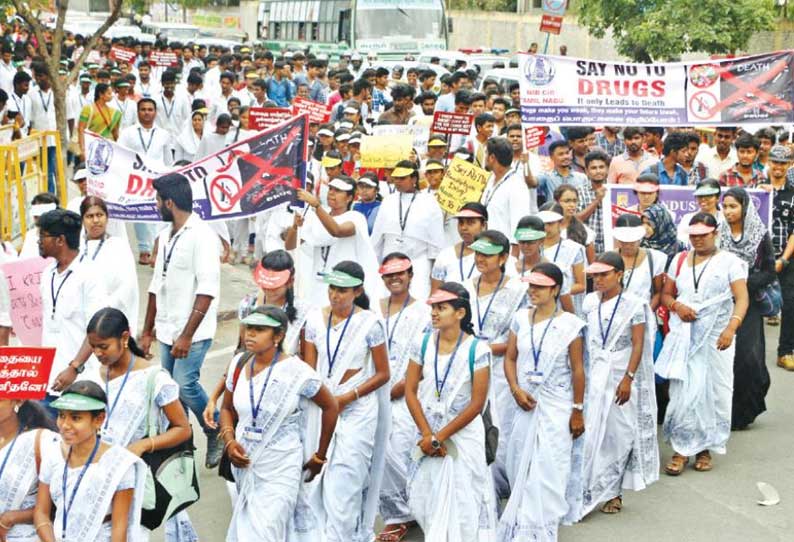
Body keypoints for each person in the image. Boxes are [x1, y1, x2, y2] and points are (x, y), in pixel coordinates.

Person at [219, 305, 339, 542]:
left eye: (260, 329)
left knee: (265, 532)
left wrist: (319, 456)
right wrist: (229, 441)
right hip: (245, 464)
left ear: (279, 335)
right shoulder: (238, 364)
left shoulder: (298, 372)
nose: (250, 334)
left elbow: (330, 407)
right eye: (249, 328)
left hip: (282, 466)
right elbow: (226, 408)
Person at [86, 307, 196, 541]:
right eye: (92, 346)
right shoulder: (97, 372)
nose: (97, 353)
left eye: (103, 346)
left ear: (124, 338)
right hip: (101, 471)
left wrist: (144, 445)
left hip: (136, 474)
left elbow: (182, 429)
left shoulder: (154, 378)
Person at [302, 261, 390, 542]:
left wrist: (347, 397)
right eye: (332, 288)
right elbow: (308, 369)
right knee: (314, 486)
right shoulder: (315, 319)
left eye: (342, 290)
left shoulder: (370, 323)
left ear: (358, 291)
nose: (335, 295)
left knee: (344, 486)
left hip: (357, 412)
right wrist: (324, 401)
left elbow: (383, 373)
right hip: (322, 409)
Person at [140, 172, 223, 469]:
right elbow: (155, 284)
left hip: (194, 331)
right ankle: (182, 448)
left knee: (185, 385)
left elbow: (207, 290)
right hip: (166, 327)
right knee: (171, 391)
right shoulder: (164, 236)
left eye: (158, 200)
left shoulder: (203, 236)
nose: (155, 204)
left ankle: (215, 430)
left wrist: (186, 335)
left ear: (170, 202)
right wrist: (147, 330)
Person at [656, 213, 749, 475]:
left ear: (715, 233)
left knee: (713, 391)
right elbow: (665, 294)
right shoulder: (680, 259)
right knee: (685, 392)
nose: (697, 239)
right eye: (693, 234)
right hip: (685, 333)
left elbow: (742, 298)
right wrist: (677, 306)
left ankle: (705, 447)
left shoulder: (730, 262)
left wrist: (731, 328)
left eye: (703, 234)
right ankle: (681, 449)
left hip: (717, 335)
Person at [498, 263, 585, 540]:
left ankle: (543, 527)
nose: (532, 291)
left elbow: (578, 370)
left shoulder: (570, 325)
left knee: (550, 465)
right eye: (531, 285)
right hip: (524, 401)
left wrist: (577, 411)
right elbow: (510, 358)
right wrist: (514, 389)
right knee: (519, 459)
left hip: (557, 405)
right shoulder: (521, 319)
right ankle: (522, 524)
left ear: (556, 289)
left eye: (539, 286)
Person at [568, 252, 658, 519]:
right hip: (595, 372)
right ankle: (584, 490)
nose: (598, 279)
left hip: (621, 373)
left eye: (604, 274)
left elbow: (638, 343)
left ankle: (613, 491)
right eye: (595, 274)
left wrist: (629, 378)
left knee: (618, 433)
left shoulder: (635, 304)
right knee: (592, 430)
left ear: (619, 275)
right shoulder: (588, 302)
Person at [404, 282, 497, 540]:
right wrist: (427, 435)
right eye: (433, 307)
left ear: (460, 313)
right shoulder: (422, 343)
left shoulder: (477, 350)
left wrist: (439, 437)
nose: (434, 312)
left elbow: (476, 404)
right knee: (427, 500)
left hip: (462, 437)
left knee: (464, 503)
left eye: (441, 308)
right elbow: (410, 390)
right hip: (426, 433)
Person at [33, 381, 146, 542]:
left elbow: (119, 528)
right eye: (61, 415)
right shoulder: (53, 455)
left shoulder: (119, 465)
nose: (65, 425)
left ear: (99, 419)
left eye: (76, 418)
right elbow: (41, 512)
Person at [375, 254, 432, 542]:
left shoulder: (423, 311)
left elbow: (427, 354)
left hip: (409, 394)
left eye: (400, 273)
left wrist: (406, 383)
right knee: (381, 455)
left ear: (411, 275)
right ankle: (397, 516)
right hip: (376, 392)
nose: (394, 279)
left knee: (406, 452)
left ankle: (421, 508)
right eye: (389, 275)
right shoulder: (375, 308)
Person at [37, 209, 109, 409]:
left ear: (60, 240)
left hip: (80, 383)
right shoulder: (47, 274)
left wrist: (74, 367)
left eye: (43, 236)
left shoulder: (90, 275)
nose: (39, 241)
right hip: (47, 381)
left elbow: (97, 330)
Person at [718, 188, 775, 430]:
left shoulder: (759, 235)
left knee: (747, 358)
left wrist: (742, 284)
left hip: (748, 303)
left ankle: (744, 411)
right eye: (726, 206)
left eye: (733, 206)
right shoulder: (718, 234)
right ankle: (722, 411)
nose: (729, 211)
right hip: (720, 302)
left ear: (744, 207)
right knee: (722, 358)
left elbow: (769, 272)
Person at [292, 176, 380, 306]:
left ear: (350, 198)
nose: (332, 193)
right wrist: (295, 227)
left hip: (343, 284)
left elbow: (337, 231)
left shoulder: (356, 217)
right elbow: (291, 245)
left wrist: (316, 206)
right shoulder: (319, 215)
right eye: (331, 189)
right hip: (318, 283)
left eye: (338, 190)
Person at [370, 161, 445, 300]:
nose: (397, 182)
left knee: (418, 306)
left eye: (402, 178)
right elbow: (377, 239)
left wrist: (435, 280)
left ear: (414, 179)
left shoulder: (429, 202)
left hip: (418, 264)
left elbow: (436, 244)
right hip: (390, 263)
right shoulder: (388, 201)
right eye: (396, 178)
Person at [117, 98, 174, 265]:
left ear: (155, 112)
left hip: (158, 178)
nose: (147, 112)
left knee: (159, 213)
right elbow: (121, 154)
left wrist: (169, 176)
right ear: (138, 112)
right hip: (136, 180)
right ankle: (144, 249)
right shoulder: (128, 133)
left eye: (150, 109)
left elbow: (168, 160)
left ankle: (157, 250)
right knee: (140, 213)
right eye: (143, 109)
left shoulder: (164, 134)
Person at [0, 399, 60, 541]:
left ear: (18, 401)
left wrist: (12, 517)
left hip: (26, 535)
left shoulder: (43, 441)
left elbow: (63, 499)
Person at [78, 196, 139, 334]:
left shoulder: (118, 246)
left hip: (110, 318)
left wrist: (105, 309)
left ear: (107, 218)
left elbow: (128, 286)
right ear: (82, 219)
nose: (95, 221)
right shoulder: (76, 247)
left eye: (100, 215)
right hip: (80, 319)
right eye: (89, 216)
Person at [760, 145, 794, 369]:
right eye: (775, 162)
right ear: (769, 162)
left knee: (790, 304)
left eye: (783, 163)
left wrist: (783, 259)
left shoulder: (793, 193)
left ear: (789, 164)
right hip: (758, 258)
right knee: (751, 306)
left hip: (786, 256)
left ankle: (785, 351)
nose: (778, 167)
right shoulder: (758, 189)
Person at [480, 137, 530, 248]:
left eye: (486, 154)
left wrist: (514, 256)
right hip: (487, 246)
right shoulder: (491, 179)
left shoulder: (516, 185)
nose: (485, 158)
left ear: (492, 158)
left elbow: (519, 224)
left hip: (505, 251)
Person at [538, 207, 587, 314]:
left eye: (550, 224)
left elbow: (581, 285)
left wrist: (555, 291)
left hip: (566, 309)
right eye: (543, 224)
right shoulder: (532, 247)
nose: (546, 228)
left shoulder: (573, 249)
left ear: (560, 223)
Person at [431, 203, 490, 290]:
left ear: (483, 225)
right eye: (461, 222)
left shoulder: (494, 256)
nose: (464, 228)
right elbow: (435, 292)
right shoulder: (445, 255)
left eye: (470, 223)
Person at [613, 214, 666, 308]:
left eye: (633, 241)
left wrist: (646, 314)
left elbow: (658, 293)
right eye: (624, 241)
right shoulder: (607, 259)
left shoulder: (655, 258)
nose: (628, 245)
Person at [635, 174, 682, 258]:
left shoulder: (667, 215)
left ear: (657, 193)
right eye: (642, 193)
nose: (646, 196)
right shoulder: (627, 214)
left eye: (650, 193)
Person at [77, 83, 121, 158]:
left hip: (105, 149)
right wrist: (83, 150)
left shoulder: (115, 112)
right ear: (101, 95)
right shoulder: (88, 109)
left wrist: (119, 149)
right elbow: (81, 129)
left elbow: (115, 133)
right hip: (89, 146)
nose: (112, 96)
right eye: (109, 93)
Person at [676, 179, 725, 247]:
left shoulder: (724, 219)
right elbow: (682, 241)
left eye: (708, 196)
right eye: (700, 196)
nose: (703, 199)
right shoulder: (687, 218)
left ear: (717, 198)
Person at [576, 150, 608, 253]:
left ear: (607, 169)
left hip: (611, 247)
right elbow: (576, 219)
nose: (598, 171)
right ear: (586, 171)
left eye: (601, 167)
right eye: (594, 168)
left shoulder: (615, 191)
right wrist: (597, 200)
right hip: (588, 247)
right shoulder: (579, 191)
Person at [554, 187, 595, 263]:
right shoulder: (549, 228)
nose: (572, 205)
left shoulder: (585, 231)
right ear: (557, 202)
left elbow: (591, 264)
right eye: (567, 201)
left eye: (575, 201)